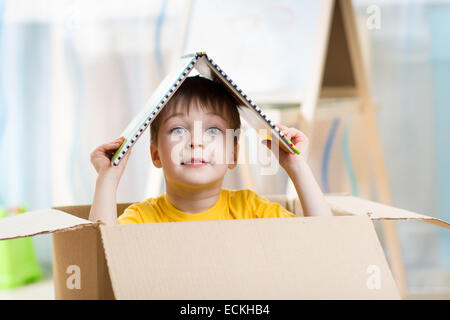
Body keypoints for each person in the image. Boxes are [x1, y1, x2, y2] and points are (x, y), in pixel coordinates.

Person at [89, 76, 332, 226]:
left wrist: (297, 167)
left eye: (213, 130)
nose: (196, 142)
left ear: (233, 155)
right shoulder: (143, 218)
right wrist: (107, 179)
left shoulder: (250, 209)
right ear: (156, 155)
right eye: (178, 130)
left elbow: (323, 241)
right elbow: (99, 259)